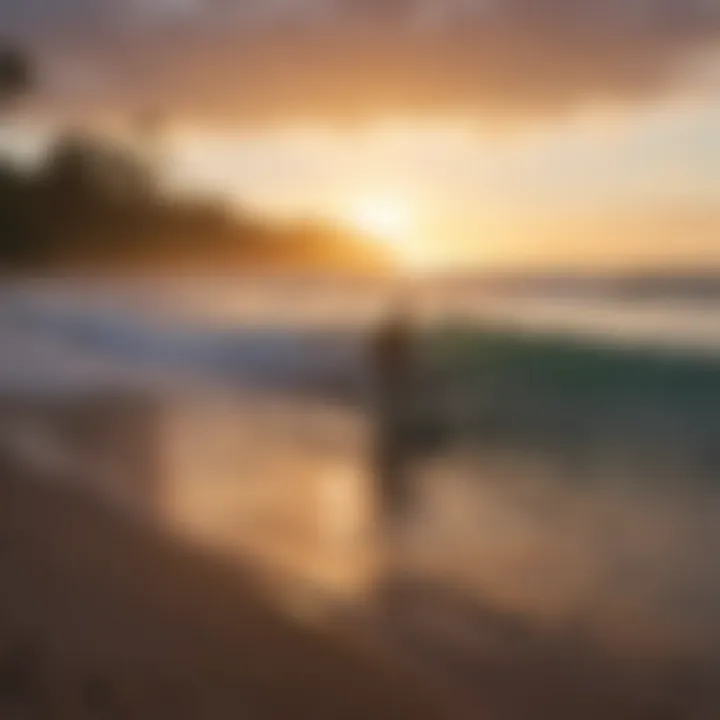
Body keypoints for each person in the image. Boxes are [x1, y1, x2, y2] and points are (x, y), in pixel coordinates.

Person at [370, 301, 415, 527]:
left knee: (392, 407)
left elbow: (381, 350)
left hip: (392, 375)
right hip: (391, 374)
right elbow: (381, 351)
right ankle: (395, 430)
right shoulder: (392, 333)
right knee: (392, 407)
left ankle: (394, 429)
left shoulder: (393, 333)